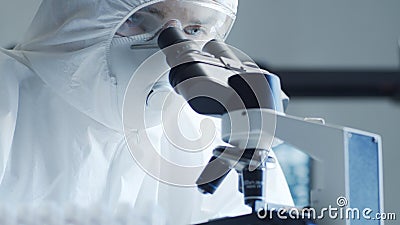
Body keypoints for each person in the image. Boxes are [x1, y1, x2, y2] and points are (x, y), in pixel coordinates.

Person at [0, 0, 293, 224]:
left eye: (193, 30)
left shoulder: (209, 135)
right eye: (138, 19)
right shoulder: (7, 96)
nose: (170, 49)